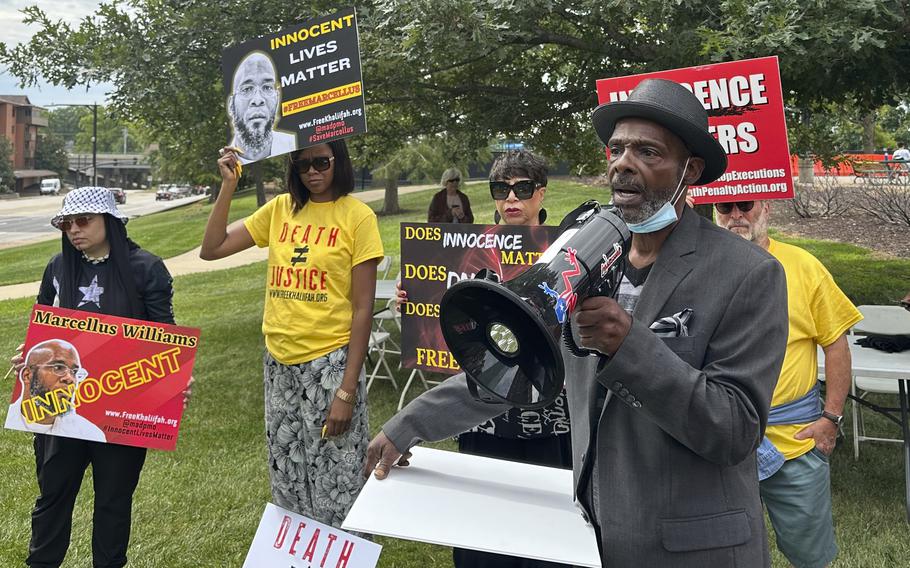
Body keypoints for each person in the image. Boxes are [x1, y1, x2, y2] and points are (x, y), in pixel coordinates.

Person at [365, 79, 789, 567]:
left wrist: (628, 345)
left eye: (647, 152)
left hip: (691, 548)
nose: (623, 163)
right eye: (616, 149)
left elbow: (734, 430)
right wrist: (409, 425)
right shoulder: (583, 256)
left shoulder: (748, 274)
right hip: (593, 536)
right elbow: (515, 363)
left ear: (688, 171)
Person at [201, 139, 383, 528]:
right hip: (279, 360)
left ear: (340, 163)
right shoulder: (281, 210)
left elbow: (363, 309)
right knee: (288, 477)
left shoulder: (358, 217)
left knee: (338, 480)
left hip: (329, 363)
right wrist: (229, 185)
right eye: (303, 165)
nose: (313, 172)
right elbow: (212, 249)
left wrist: (346, 391)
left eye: (322, 162)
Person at [402, 150, 570, 568]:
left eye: (523, 188)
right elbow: (450, 315)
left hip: (552, 418)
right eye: (501, 189)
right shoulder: (471, 248)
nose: (512, 198)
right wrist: (416, 298)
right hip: (484, 415)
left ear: (541, 192)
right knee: (485, 541)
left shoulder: (566, 248)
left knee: (552, 540)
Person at [9, 186, 177, 568]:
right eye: (67, 224)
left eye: (83, 221)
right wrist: (29, 354)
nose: (74, 230)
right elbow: (45, 327)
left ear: (110, 221)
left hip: (121, 410)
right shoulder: (57, 268)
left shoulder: (145, 268)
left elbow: (166, 336)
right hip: (60, 411)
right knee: (52, 497)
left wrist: (173, 378)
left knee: (114, 503)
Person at [715, 199, 862, 568]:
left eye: (745, 205)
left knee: (809, 556)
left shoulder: (803, 266)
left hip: (794, 440)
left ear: (766, 208)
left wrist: (831, 418)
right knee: (721, 553)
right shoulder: (698, 268)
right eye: (724, 205)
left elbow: (836, 344)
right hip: (720, 444)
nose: (736, 215)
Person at [6, 339, 105, 442]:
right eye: (58, 367)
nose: (70, 378)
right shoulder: (7, 422)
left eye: (74, 372)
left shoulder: (89, 434)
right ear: (27, 375)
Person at [228, 52, 297, 163]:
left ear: (277, 99)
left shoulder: (294, 145)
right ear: (231, 105)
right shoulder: (224, 162)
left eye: (267, 87)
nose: (258, 100)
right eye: (246, 89)